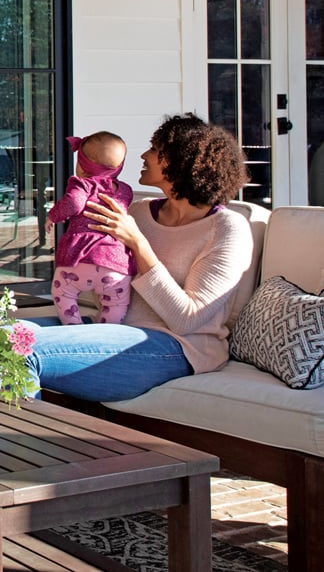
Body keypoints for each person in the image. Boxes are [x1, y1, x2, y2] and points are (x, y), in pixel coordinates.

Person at [24, 113, 253, 403]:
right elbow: (104, 285)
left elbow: (186, 320)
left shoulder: (227, 229)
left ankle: (28, 444)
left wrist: (137, 242)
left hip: (178, 348)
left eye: (155, 150)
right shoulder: (138, 212)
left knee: (25, 350)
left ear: (181, 161)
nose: (144, 155)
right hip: (112, 330)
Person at [47, 132, 135, 324]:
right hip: (116, 265)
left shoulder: (83, 184)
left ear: (82, 165)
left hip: (80, 259)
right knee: (116, 304)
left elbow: (74, 203)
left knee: (63, 292)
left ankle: (74, 328)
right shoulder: (126, 191)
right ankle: (108, 332)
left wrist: (52, 215)